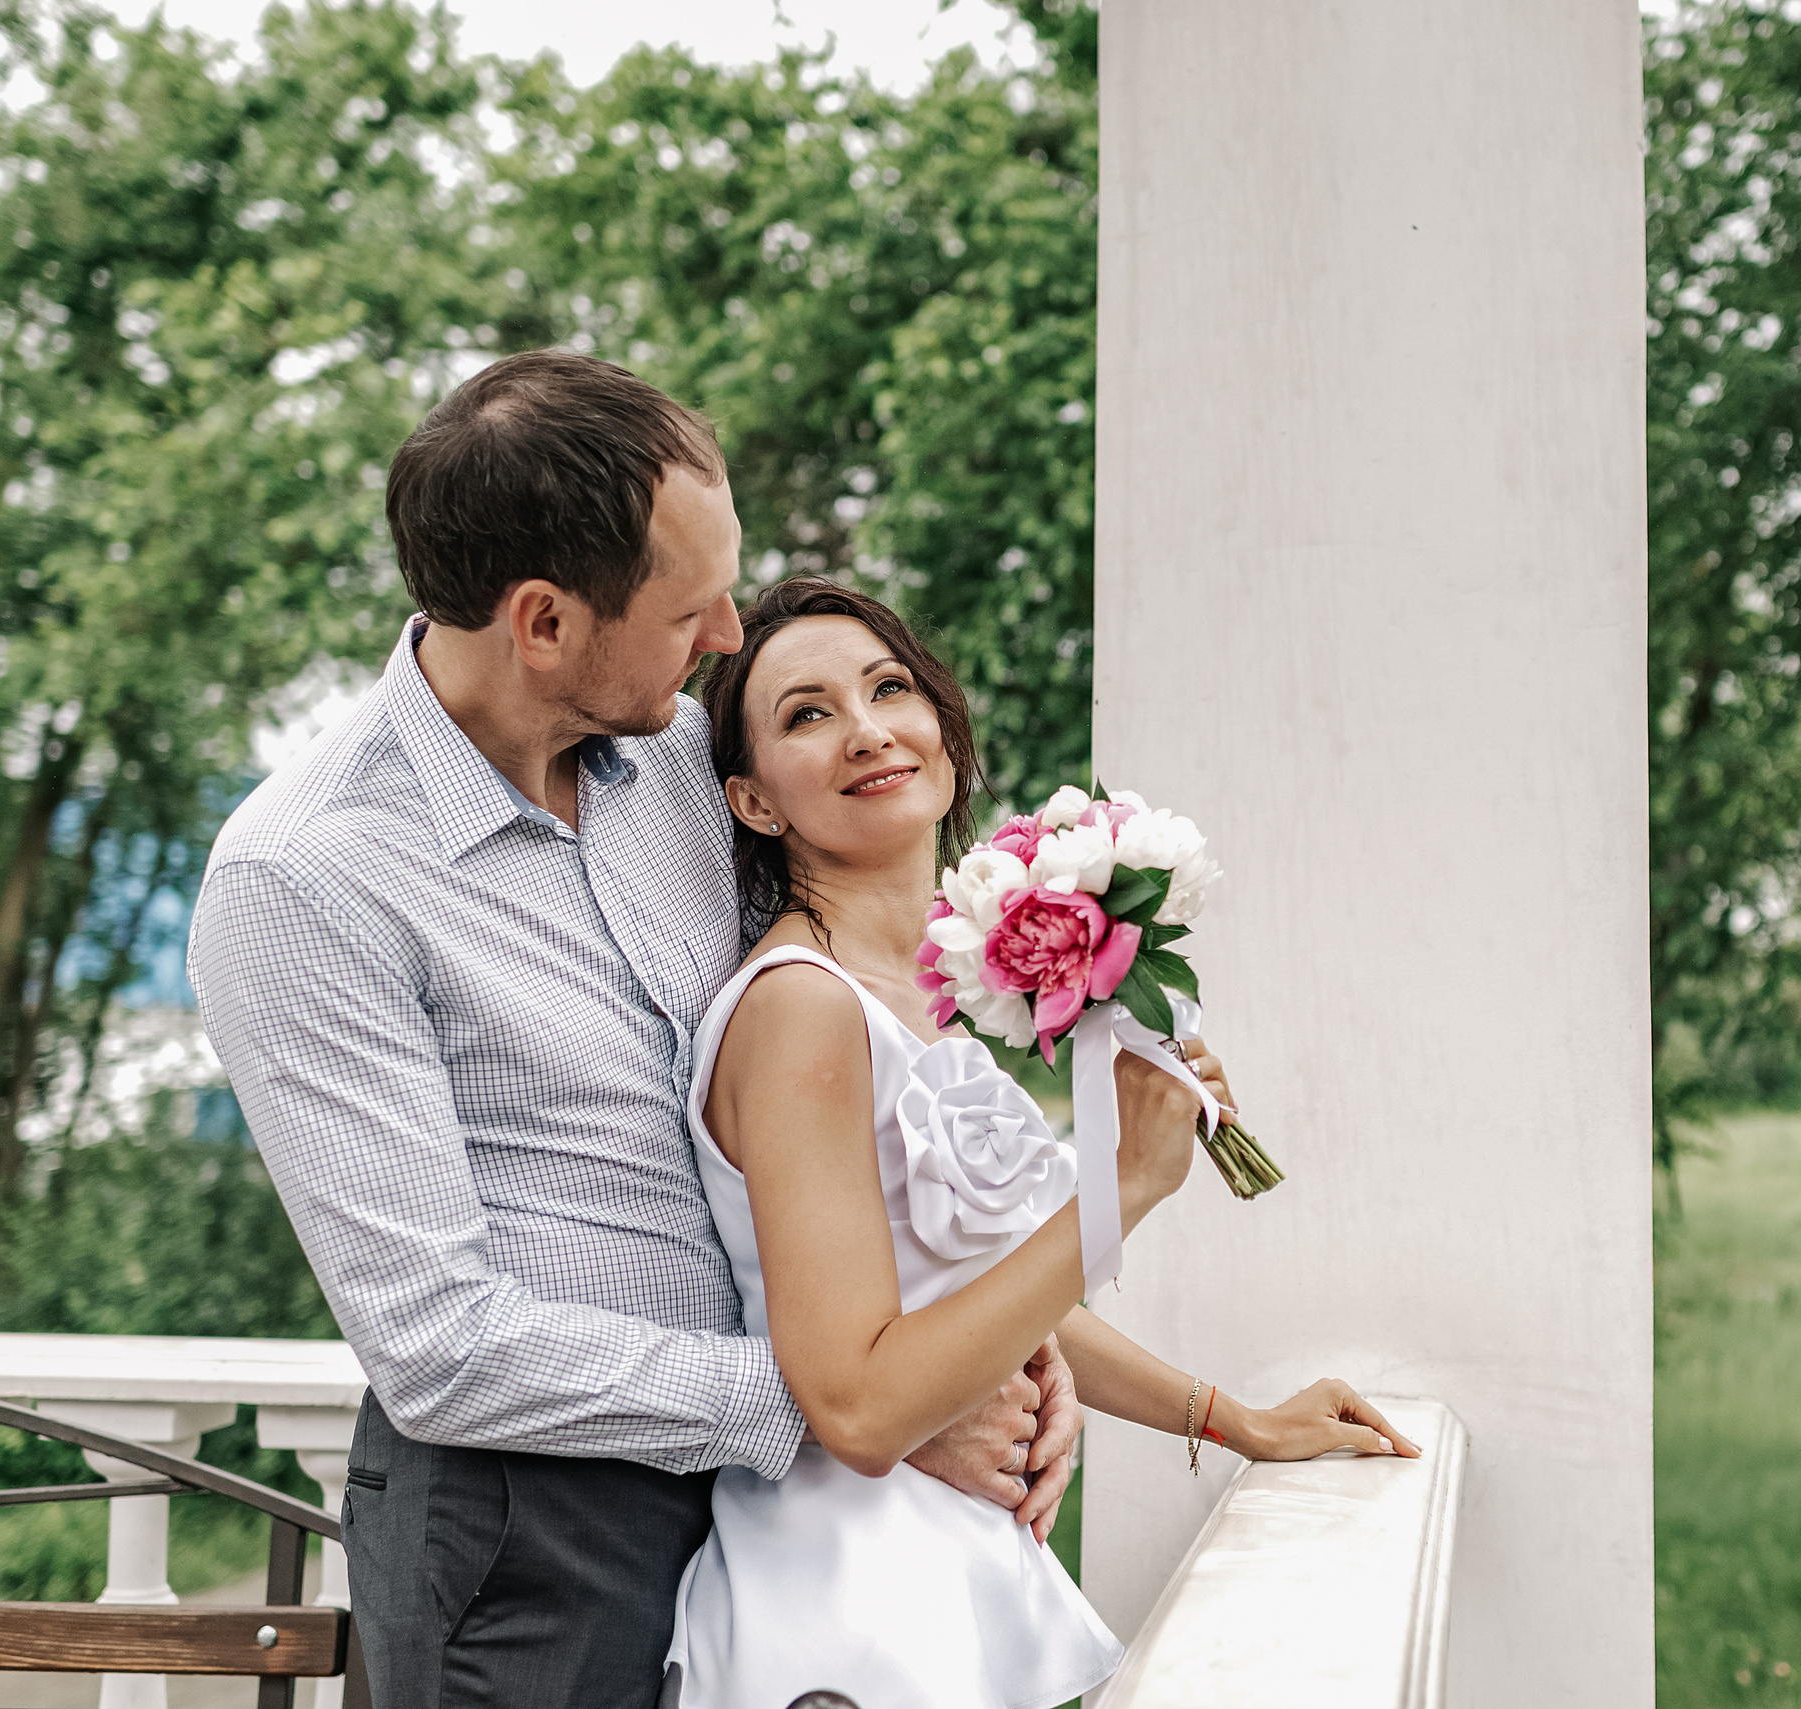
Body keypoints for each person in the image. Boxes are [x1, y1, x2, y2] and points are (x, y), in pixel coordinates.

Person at [187, 351, 1071, 1707]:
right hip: (530, 1538)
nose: (725, 633)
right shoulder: (307, 880)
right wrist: (844, 1413)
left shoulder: (674, 761)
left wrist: (984, 1344)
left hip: (772, 1515)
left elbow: (820, 1099)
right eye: (687, 606)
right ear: (543, 621)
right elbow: (441, 1345)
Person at [662, 578, 1420, 1709]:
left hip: (938, 1581)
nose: (868, 728)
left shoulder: (905, 1002)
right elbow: (861, 1407)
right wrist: (1124, 1185)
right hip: (848, 1621)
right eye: (807, 713)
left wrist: (1228, 1417)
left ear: (943, 726)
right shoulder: (800, 1011)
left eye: (888, 687)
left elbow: (988, 1295)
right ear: (754, 800)